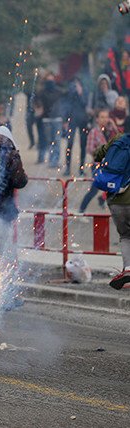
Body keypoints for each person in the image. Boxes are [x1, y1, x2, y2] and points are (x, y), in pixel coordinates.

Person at [92, 135, 130, 290]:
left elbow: (97, 154)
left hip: (115, 200)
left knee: (126, 235)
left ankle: (128, 269)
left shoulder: (120, 139)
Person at [79, 109, 117, 213]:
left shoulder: (110, 131)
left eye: (106, 117)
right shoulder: (94, 132)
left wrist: (113, 126)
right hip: (98, 165)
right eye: (102, 117)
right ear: (97, 119)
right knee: (94, 190)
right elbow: (90, 149)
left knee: (115, 185)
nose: (104, 119)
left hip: (110, 166)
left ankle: (102, 199)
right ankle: (81, 210)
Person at [62, 78, 89, 175]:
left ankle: (81, 168)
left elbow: (85, 103)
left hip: (83, 120)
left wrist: (80, 93)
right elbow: (66, 106)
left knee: (83, 145)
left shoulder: (85, 92)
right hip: (72, 120)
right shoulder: (70, 92)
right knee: (69, 144)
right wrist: (65, 120)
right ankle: (67, 168)